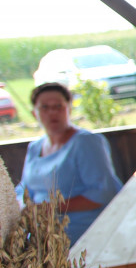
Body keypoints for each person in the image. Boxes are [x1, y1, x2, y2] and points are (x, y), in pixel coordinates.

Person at [15, 82, 122, 245]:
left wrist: (49, 208)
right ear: (34, 113)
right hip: (38, 234)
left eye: (58, 106)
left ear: (69, 109)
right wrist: (22, 207)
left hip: (80, 235)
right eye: (44, 107)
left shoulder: (86, 142)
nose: (52, 112)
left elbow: (103, 192)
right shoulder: (34, 147)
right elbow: (23, 189)